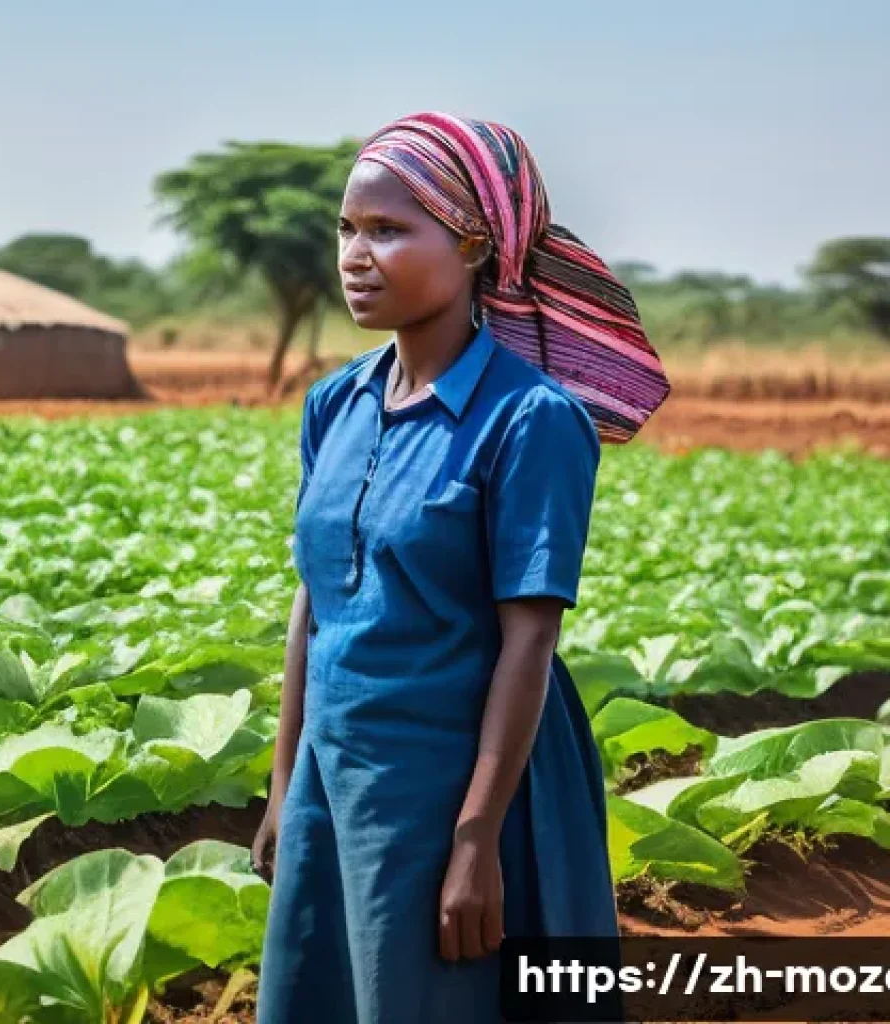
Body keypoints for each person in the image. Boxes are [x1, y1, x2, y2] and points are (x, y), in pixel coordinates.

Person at [253, 111, 669, 1024]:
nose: (357, 256)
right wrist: (286, 784)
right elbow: (311, 601)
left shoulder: (531, 420)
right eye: (348, 230)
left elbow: (530, 640)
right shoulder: (335, 402)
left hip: (456, 785)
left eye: (390, 230)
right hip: (339, 772)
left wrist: (476, 838)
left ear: (478, 245)